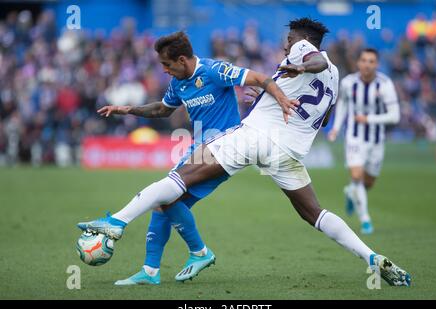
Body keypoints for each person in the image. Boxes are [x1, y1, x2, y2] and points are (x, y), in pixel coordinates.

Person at [79, 18, 411, 287]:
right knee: (315, 214)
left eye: (289, 42)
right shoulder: (337, 78)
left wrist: (299, 70)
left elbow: (316, 60)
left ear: (301, 40)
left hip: (254, 138)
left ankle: (116, 223)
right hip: (288, 151)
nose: (286, 47)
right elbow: (321, 120)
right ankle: (371, 257)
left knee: (175, 181)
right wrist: (272, 97)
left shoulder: (303, 50)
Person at [88, 31, 297, 285]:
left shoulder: (214, 70)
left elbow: (259, 78)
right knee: (165, 204)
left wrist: (282, 99)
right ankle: (152, 271)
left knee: (166, 196)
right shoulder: (178, 82)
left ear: (183, 59)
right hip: (199, 149)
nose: (164, 70)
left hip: (225, 148)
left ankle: (134, 230)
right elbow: (163, 109)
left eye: (167, 64)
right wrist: (128, 109)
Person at [328, 48, 400, 234]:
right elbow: (342, 104)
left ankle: (351, 192)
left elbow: (395, 116)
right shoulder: (348, 83)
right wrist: (336, 128)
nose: (367, 64)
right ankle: (365, 220)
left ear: (377, 65)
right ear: (358, 63)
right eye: (364, 60)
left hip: (376, 139)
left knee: (368, 183)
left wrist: (369, 120)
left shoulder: (384, 85)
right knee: (357, 175)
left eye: (371, 61)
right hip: (354, 136)